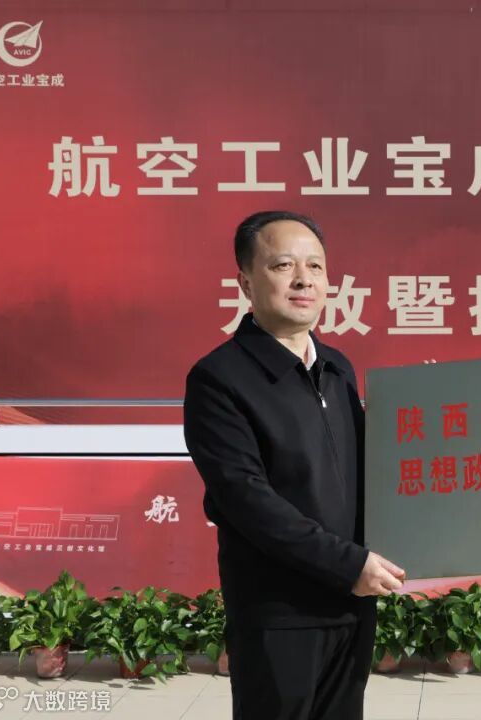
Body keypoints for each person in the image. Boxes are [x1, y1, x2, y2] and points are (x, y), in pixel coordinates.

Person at [184, 210, 406, 720]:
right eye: (284, 265)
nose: (304, 279)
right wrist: (347, 565)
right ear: (246, 281)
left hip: (351, 606)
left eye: (316, 266)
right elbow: (247, 500)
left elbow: (375, 477)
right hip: (279, 615)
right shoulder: (219, 379)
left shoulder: (338, 369)